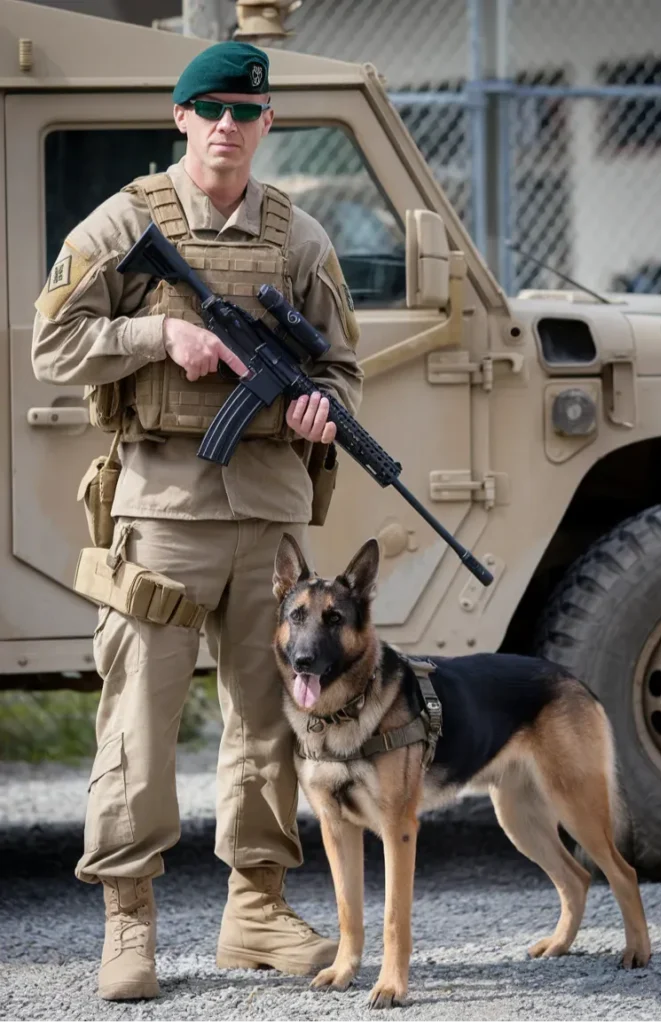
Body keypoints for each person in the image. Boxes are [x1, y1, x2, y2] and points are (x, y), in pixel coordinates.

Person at [31, 40, 363, 1002]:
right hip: (163, 508)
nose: (228, 124)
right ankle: (128, 922)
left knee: (271, 717)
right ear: (181, 118)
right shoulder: (129, 219)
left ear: (267, 124)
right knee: (140, 716)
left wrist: (320, 409)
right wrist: (155, 333)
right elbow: (54, 340)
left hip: (272, 520)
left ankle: (255, 911)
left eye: (245, 111)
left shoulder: (299, 238)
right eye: (209, 107)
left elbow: (340, 368)